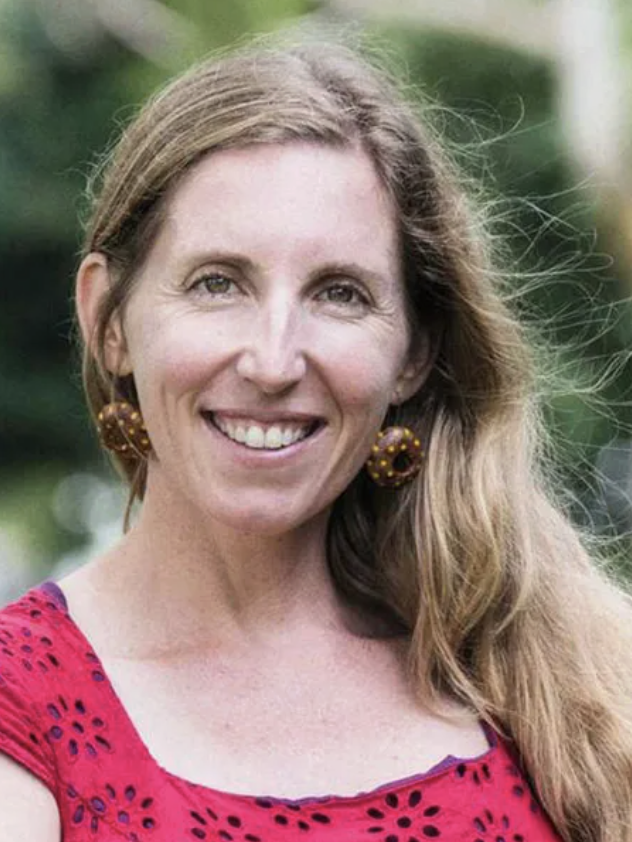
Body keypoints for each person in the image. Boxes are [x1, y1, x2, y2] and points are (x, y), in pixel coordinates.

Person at [1, 36, 631, 842]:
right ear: (109, 321)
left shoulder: (562, 684)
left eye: (340, 293)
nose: (272, 360)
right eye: (218, 283)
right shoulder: (23, 707)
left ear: (414, 352)